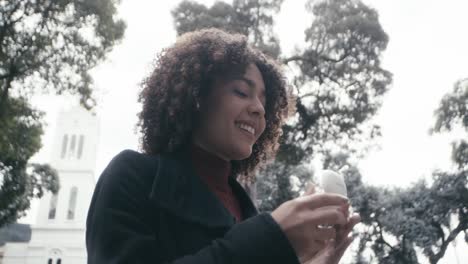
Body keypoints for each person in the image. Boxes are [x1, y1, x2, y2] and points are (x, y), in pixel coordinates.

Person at [86, 28, 360, 264]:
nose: (258, 109)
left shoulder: (249, 210)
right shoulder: (133, 176)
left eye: (264, 102)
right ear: (197, 96)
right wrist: (270, 239)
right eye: (242, 92)